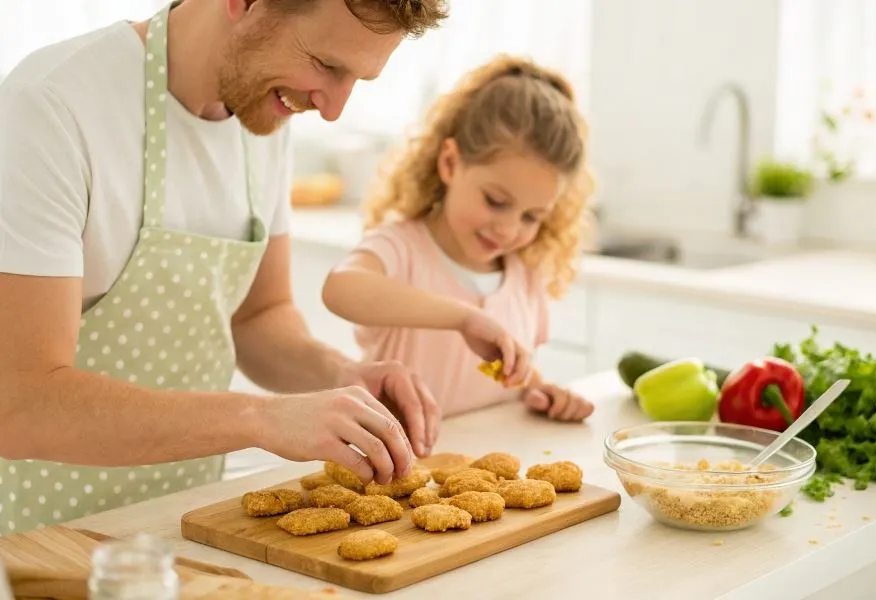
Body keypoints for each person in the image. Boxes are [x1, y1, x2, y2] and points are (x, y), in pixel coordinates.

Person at [0, 0, 448, 535]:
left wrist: (340, 377)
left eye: (358, 79)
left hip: (183, 523)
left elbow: (258, 316)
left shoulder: (264, 110)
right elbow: (20, 403)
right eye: (328, 66)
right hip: (38, 539)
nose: (332, 109)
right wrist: (259, 418)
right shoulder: (51, 108)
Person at [321, 55, 596, 422]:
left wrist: (538, 391)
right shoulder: (401, 248)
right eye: (496, 201)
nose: (509, 230)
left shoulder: (524, 274)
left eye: (532, 216)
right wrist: (464, 318)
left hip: (490, 472)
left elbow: (508, 378)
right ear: (450, 163)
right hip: (401, 470)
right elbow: (341, 289)